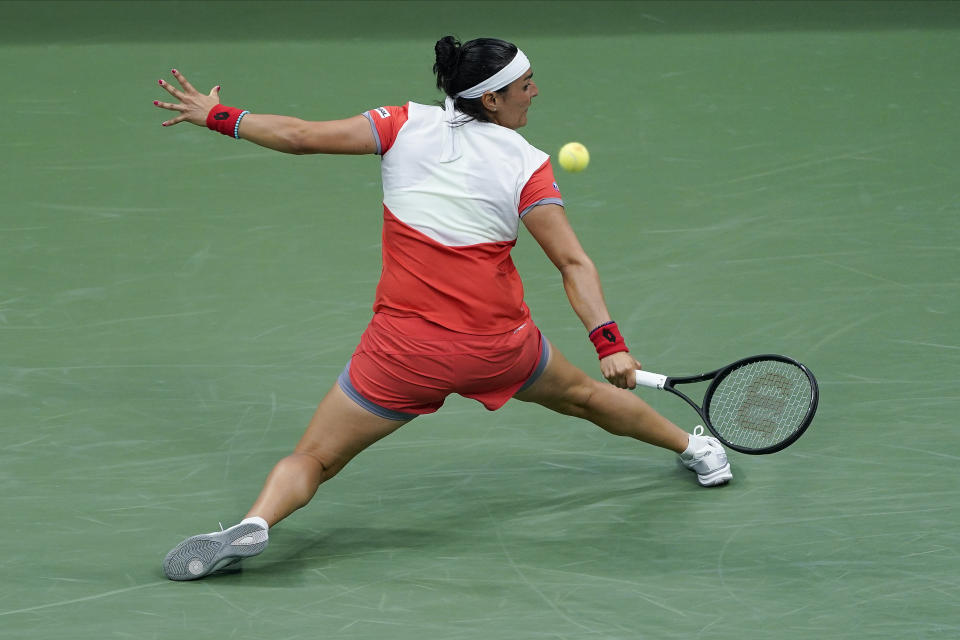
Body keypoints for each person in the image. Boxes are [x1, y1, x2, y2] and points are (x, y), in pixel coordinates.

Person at [154, 36, 732, 581]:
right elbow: (572, 264)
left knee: (315, 456)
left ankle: (256, 522)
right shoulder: (526, 164)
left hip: (401, 355)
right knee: (584, 396)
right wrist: (610, 344)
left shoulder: (401, 125)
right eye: (526, 84)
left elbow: (301, 135)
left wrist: (218, 116)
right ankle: (699, 450)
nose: (535, 92)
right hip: (497, 349)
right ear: (492, 98)